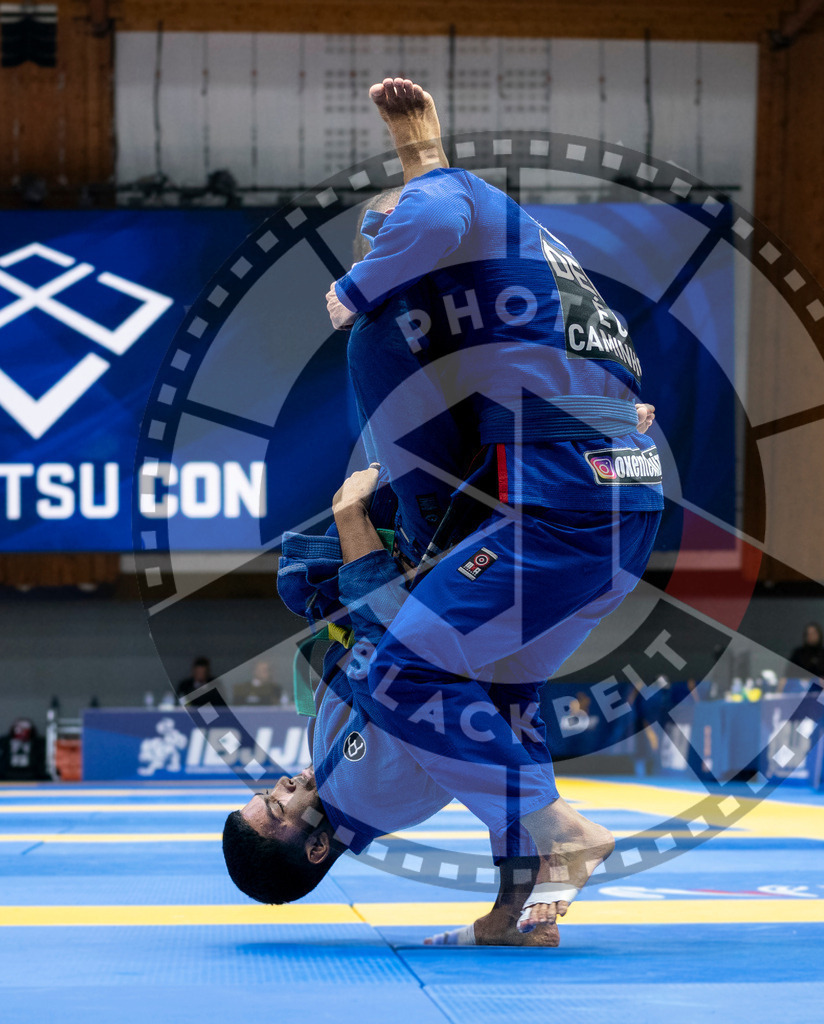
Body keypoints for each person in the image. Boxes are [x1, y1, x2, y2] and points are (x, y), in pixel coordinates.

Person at [323, 77, 663, 934]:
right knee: (500, 689)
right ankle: (519, 912)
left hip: (568, 505)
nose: (384, 254)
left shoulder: (449, 213)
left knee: (401, 671)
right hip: (613, 495)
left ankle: (560, 830)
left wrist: (355, 289)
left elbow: (432, 211)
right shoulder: (535, 267)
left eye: (382, 237)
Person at [224, 467, 560, 947]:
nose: (281, 784)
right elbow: (391, 653)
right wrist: (351, 519)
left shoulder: (340, 783)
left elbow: (510, 787)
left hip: (437, 580)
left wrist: (508, 910)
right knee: (431, 413)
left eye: (267, 793)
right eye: (278, 807)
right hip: (431, 563)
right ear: (318, 846)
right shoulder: (364, 790)